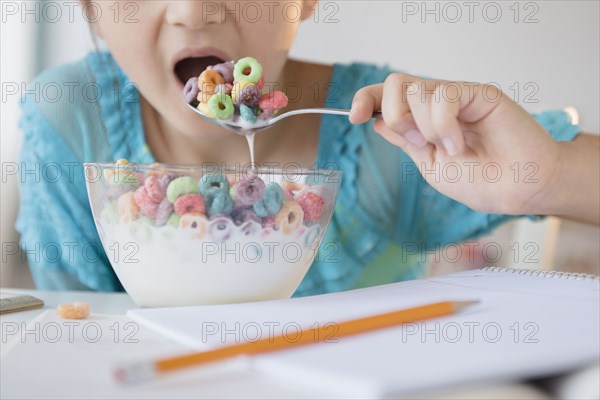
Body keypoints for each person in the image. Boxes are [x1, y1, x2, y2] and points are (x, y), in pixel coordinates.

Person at [16, 1, 599, 293]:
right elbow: (77, 334)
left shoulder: (384, 135)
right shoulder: (71, 120)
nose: (196, 11)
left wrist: (548, 175)